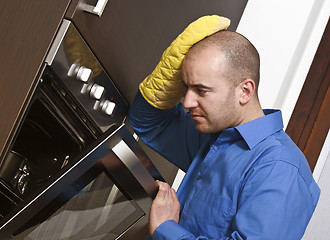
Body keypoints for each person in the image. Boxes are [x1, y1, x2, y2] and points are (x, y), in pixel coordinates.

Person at [128, 15, 320, 239]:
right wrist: (172, 61)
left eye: (201, 90)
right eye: (186, 87)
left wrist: (167, 228)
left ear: (245, 91)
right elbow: (146, 121)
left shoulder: (281, 169)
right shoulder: (217, 139)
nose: (187, 102)